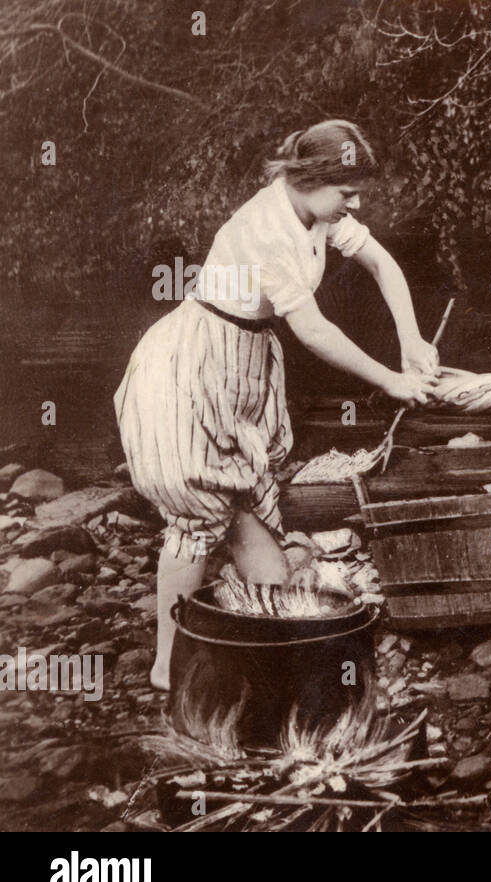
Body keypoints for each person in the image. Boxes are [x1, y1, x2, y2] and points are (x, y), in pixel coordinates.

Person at [114, 119, 440, 691]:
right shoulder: (265, 228)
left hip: (246, 360)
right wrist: (390, 379)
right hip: (193, 364)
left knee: (253, 525)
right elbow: (312, 331)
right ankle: (168, 667)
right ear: (308, 177)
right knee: (195, 513)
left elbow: (383, 264)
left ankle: (266, 660)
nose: (356, 202)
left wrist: (411, 338)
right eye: (347, 191)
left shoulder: (317, 213)